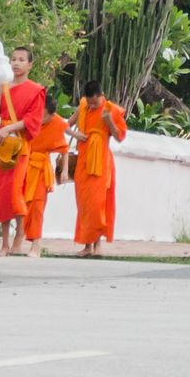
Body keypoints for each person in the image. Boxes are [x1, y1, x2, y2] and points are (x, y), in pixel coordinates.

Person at [0, 46, 45, 257]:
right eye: (13, 59)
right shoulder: (3, 87)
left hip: (19, 145)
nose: (16, 63)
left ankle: (21, 233)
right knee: (1, 193)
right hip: (1, 145)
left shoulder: (36, 90)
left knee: (14, 191)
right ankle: (4, 244)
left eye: (21, 60)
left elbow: (33, 120)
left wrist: (9, 128)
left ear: (30, 65)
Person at [69, 81, 128, 257]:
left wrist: (109, 121)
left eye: (95, 102)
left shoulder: (111, 110)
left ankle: (97, 245)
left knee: (97, 204)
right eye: (90, 102)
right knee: (84, 204)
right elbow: (66, 125)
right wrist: (76, 134)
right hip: (83, 161)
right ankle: (87, 246)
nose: (92, 106)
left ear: (101, 95)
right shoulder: (83, 106)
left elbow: (120, 137)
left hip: (102, 161)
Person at [22, 92, 70, 258]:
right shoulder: (30, 118)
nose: (39, 119)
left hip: (41, 170)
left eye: (43, 116)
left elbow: (64, 149)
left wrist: (65, 170)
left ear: (52, 115)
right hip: (24, 165)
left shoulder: (57, 124)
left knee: (37, 207)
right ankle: (17, 241)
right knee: (20, 206)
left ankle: (36, 245)